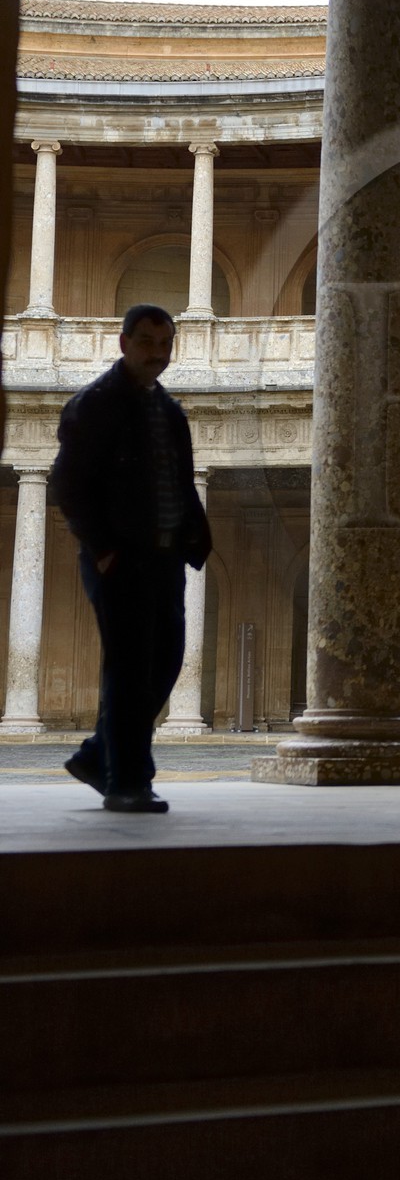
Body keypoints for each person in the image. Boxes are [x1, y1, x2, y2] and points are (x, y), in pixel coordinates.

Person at [51, 304, 211, 813]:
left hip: (164, 558)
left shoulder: (168, 410)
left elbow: (181, 482)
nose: (157, 355)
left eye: (165, 345)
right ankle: (128, 782)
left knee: (165, 661)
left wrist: (193, 536)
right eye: (146, 343)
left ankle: (100, 757)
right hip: (120, 559)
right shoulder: (94, 405)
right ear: (123, 343)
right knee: (128, 670)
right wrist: (101, 548)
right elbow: (68, 484)